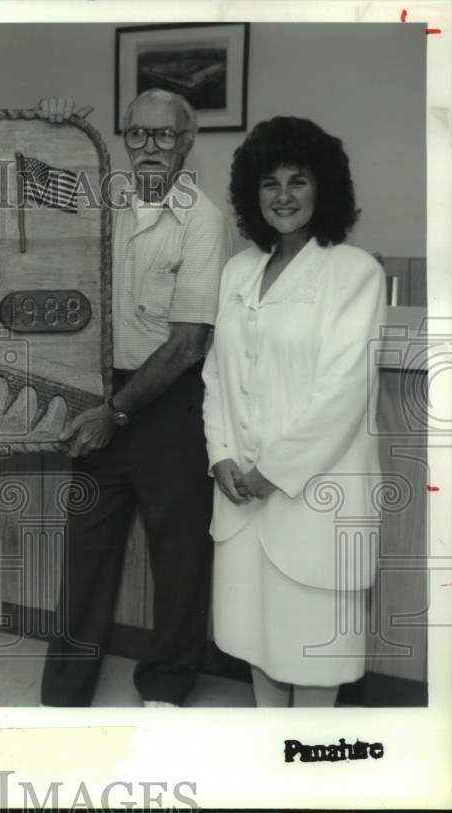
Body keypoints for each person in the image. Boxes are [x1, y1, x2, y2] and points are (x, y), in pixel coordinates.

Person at [37, 92, 232, 707]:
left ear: (187, 141)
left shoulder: (203, 220)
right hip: (98, 394)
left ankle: (167, 690)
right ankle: (66, 693)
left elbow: (188, 344)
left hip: (167, 401)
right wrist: (49, 133)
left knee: (179, 557)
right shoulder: (99, 201)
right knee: (85, 555)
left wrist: (116, 413)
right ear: (124, 137)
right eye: (139, 135)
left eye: (165, 136)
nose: (151, 147)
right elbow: (31, 218)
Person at [201, 116, 386, 707]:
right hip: (241, 498)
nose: (283, 196)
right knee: (256, 637)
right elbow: (216, 377)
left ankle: (304, 773)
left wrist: (270, 469)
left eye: (298, 181)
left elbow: (343, 392)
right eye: (269, 183)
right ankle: (270, 758)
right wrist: (221, 455)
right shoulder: (237, 271)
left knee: (312, 646)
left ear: (323, 187)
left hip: (312, 494)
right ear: (252, 195)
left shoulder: (354, 272)